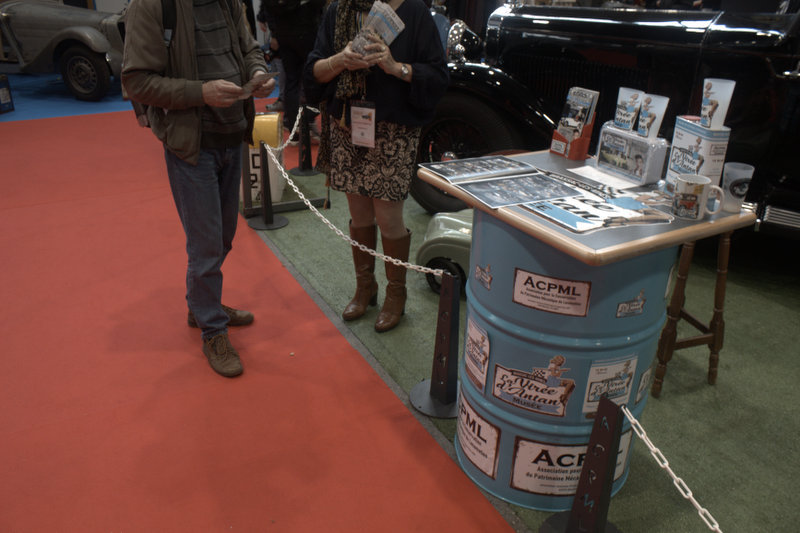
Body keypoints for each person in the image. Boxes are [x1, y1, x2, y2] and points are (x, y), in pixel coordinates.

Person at [122, 0, 275, 378]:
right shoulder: (152, 5)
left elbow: (249, 48)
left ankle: (202, 305)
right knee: (205, 247)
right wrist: (200, 92)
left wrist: (257, 73)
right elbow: (135, 82)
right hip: (191, 145)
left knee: (222, 238)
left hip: (233, 135)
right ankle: (212, 329)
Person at [303, 0, 448, 332]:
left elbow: (439, 75)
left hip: (394, 130)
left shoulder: (413, 11)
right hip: (347, 125)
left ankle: (396, 294)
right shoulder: (339, 10)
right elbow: (313, 70)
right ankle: (365, 287)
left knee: (388, 217)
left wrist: (396, 68)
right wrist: (340, 60)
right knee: (359, 215)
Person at [257, 0, 325, 140]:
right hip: (305, 31)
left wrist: (273, 31)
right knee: (310, 78)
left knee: (292, 81)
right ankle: (306, 121)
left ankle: (295, 126)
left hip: (286, 33)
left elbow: (269, 6)